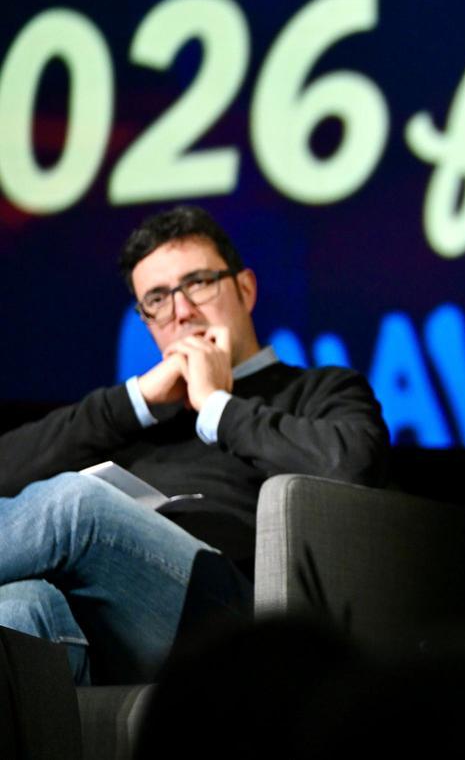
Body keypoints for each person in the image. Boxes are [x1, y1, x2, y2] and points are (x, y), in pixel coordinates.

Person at [0, 206, 389, 684]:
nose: (182, 312)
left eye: (199, 283)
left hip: (232, 615)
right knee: (19, 607)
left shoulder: (319, 388)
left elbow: (352, 464)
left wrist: (215, 406)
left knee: (77, 505)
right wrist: (135, 400)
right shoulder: (133, 418)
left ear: (245, 289)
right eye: (157, 299)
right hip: (104, 616)